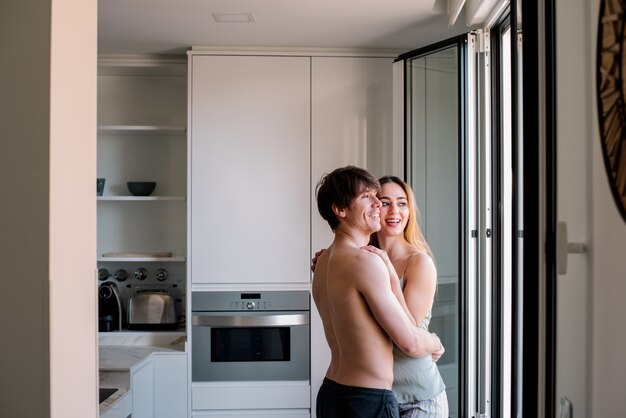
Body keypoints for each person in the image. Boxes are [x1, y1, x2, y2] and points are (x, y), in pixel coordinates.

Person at [312, 166, 443, 418]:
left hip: (332, 392)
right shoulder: (366, 262)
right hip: (366, 399)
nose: (378, 206)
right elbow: (410, 341)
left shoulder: (324, 262)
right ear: (340, 210)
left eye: (377, 198)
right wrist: (436, 341)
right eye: (369, 198)